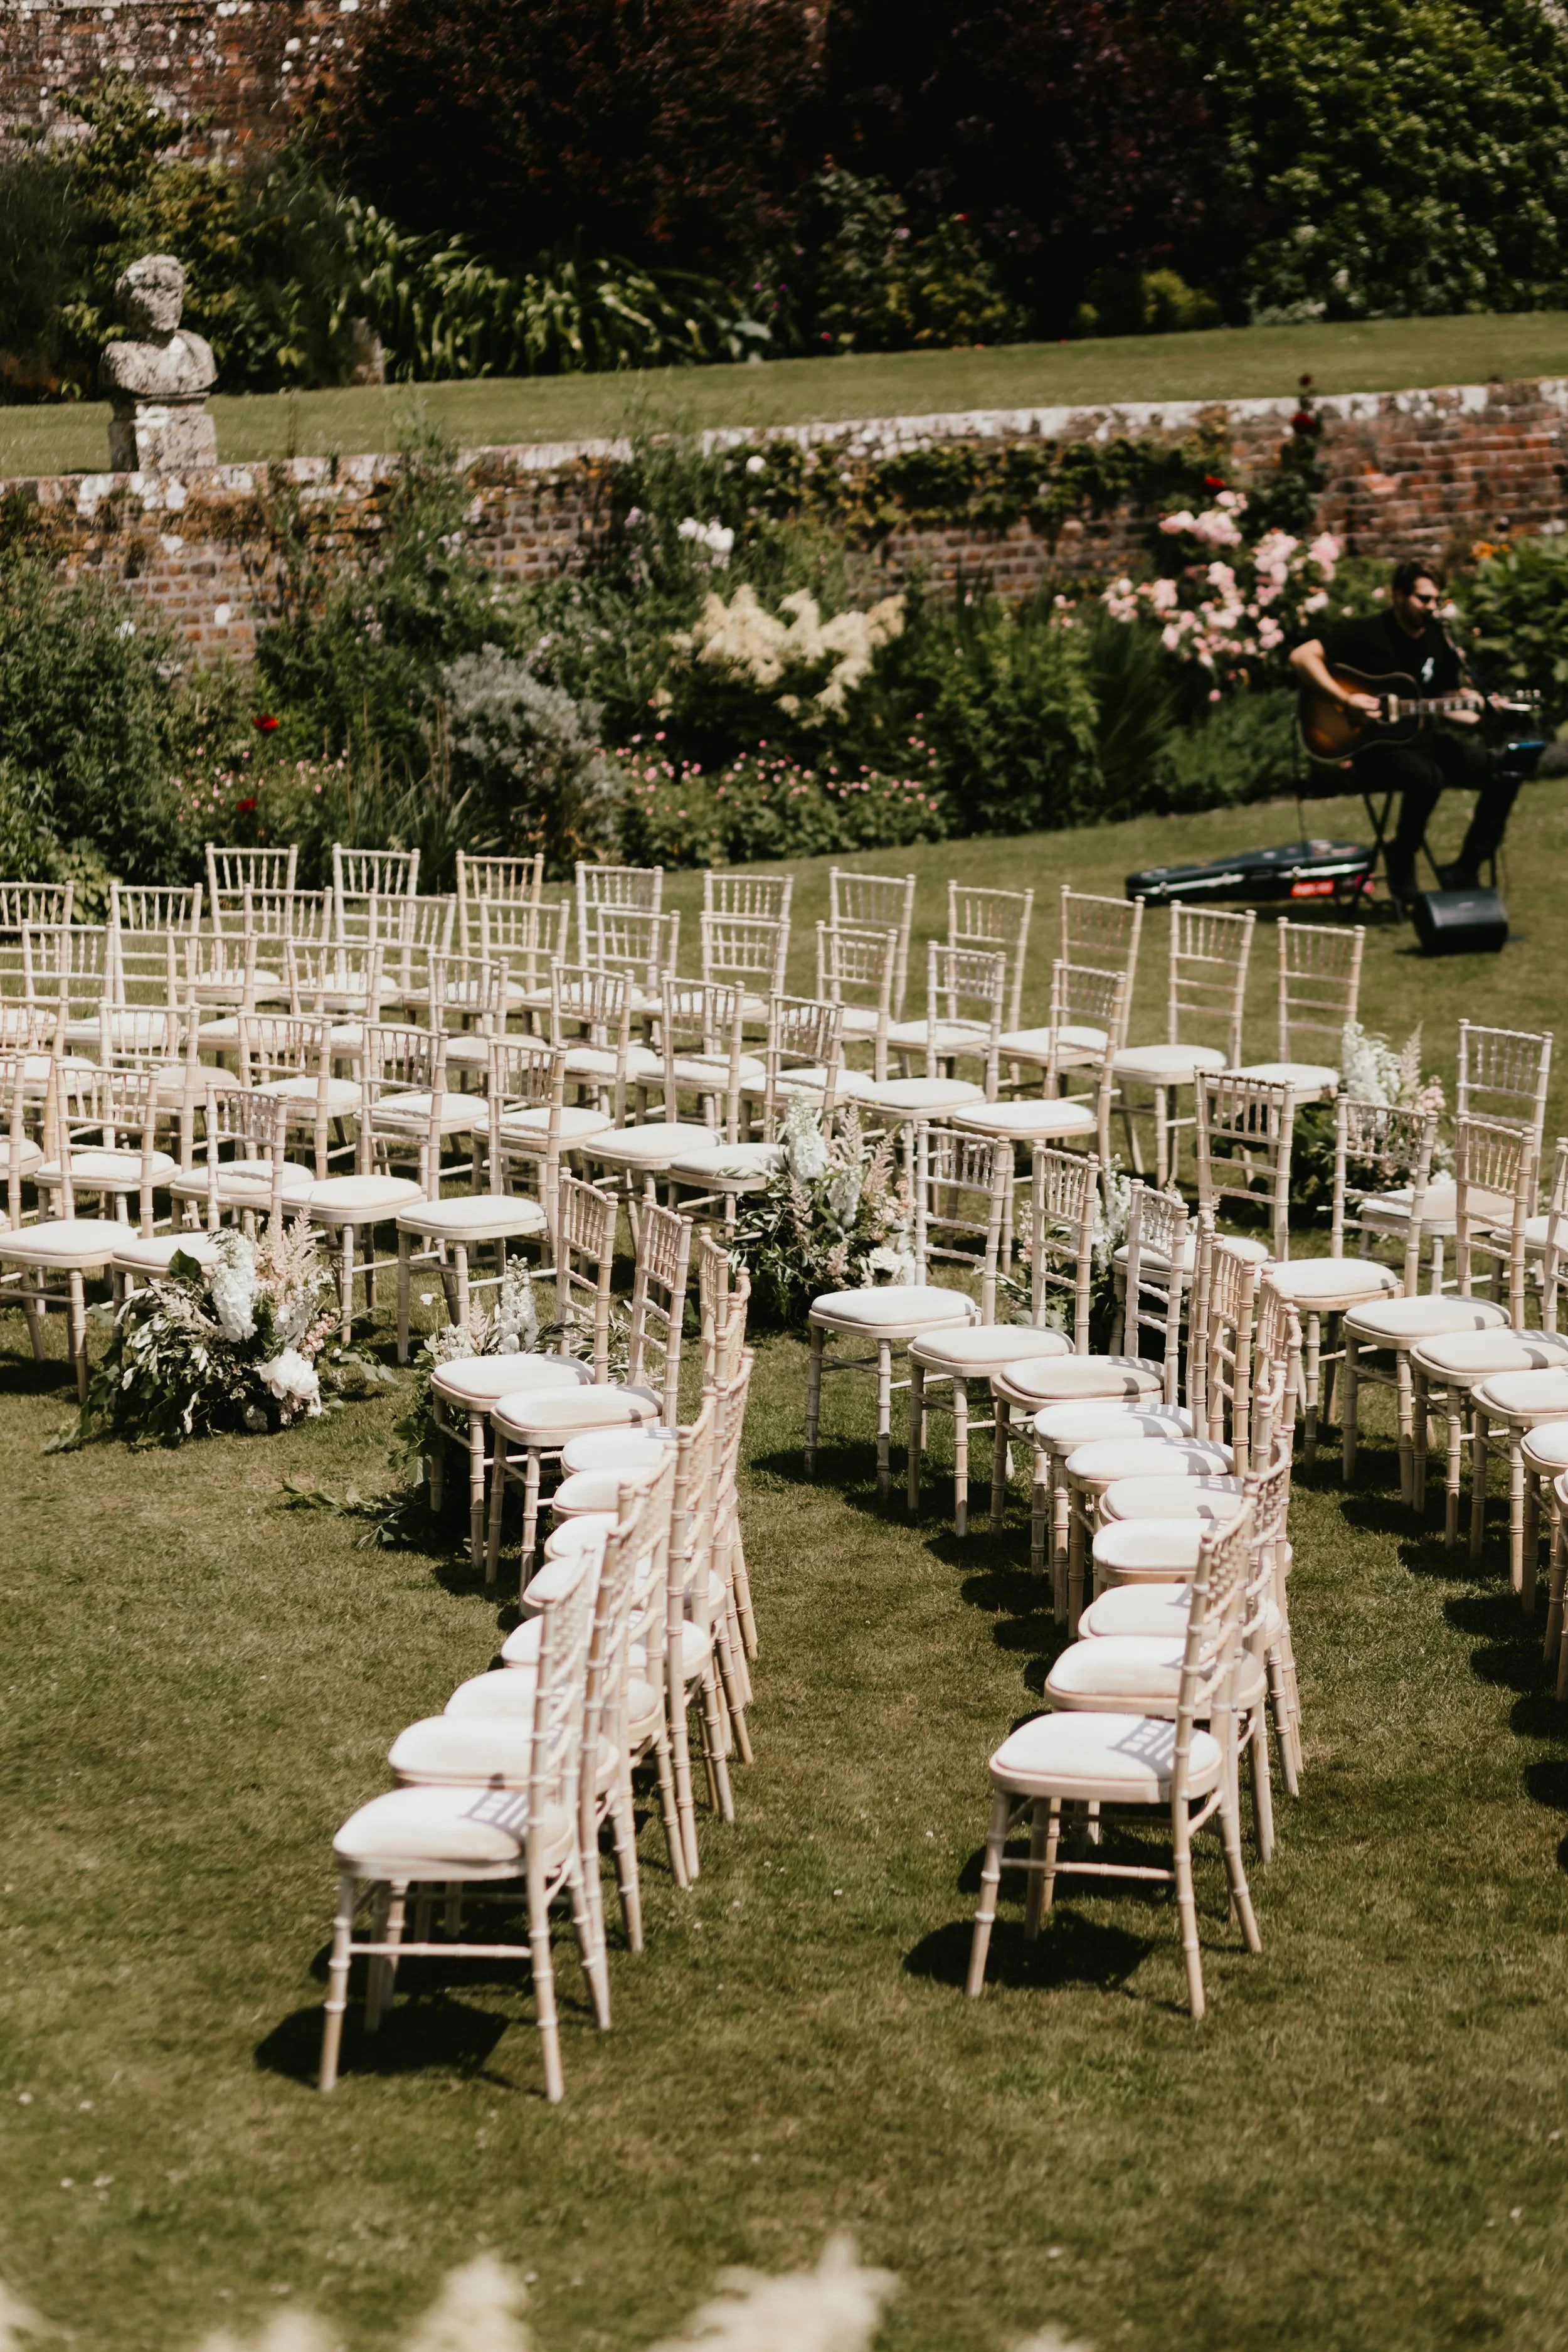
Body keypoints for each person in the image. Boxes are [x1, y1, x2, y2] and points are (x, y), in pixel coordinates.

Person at [1290, 558, 1522, 908]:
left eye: (1435, 600)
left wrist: (1482, 717)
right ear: (1398, 596)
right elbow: (1301, 656)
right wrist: (1347, 699)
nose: (1431, 608)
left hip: (1421, 742)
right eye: (1423, 599)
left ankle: (1466, 866)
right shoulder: (1368, 633)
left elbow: (1444, 703)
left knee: (1502, 772)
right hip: (1373, 749)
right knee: (1427, 777)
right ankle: (1402, 855)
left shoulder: (1439, 640)